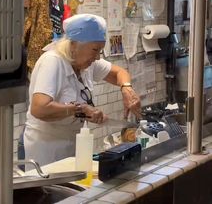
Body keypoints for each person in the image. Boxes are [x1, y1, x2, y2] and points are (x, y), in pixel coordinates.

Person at [24, 13, 141, 168]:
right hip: (47, 151)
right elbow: (39, 108)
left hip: (74, 146)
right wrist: (79, 109)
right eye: (95, 50)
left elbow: (119, 73)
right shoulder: (52, 61)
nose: (98, 57)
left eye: (100, 50)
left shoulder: (86, 63)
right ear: (73, 44)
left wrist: (126, 88)